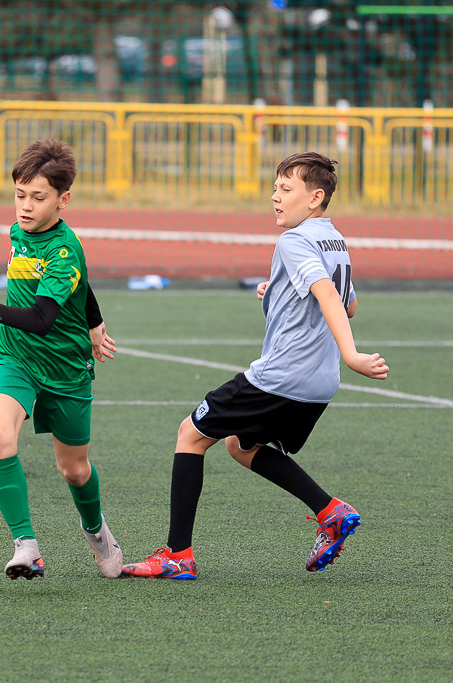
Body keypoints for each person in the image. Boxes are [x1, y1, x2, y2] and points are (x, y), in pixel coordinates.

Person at [120, 152, 389, 580]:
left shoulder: (294, 241)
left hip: (282, 376)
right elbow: (349, 302)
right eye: (275, 188)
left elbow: (325, 293)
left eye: (286, 190)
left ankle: (177, 554)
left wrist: (352, 353)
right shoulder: (334, 240)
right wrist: (277, 292)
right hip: (319, 383)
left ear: (315, 197)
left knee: (190, 435)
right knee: (240, 446)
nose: (274, 197)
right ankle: (330, 511)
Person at [0, 139, 121, 580]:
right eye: (20, 195)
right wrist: (96, 321)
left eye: (38, 198)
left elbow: (40, 318)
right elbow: (83, 286)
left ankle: (96, 531)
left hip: (65, 369)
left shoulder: (64, 249)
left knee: (73, 469)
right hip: (16, 359)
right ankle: (26, 545)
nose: (26, 206)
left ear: (63, 199)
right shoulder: (19, 232)